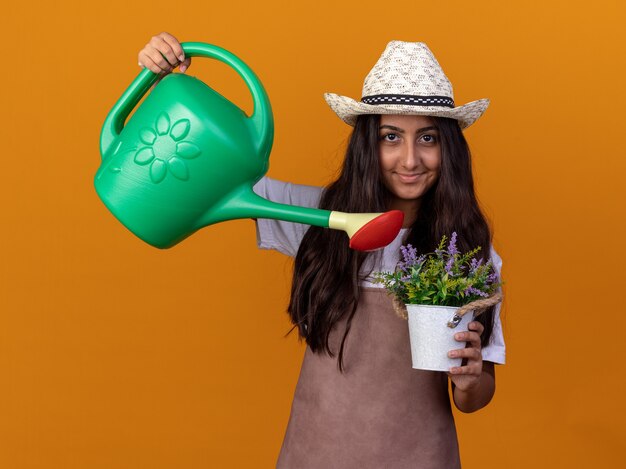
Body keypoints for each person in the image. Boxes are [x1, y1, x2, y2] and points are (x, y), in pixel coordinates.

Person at [138, 32, 505, 468]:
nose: (410, 159)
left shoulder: (464, 256)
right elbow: (209, 170)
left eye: (428, 138)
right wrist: (163, 85)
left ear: (450, 148)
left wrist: (467, 379)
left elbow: (476, 395)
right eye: (391, 137)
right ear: (368, 144)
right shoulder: (317, 219)